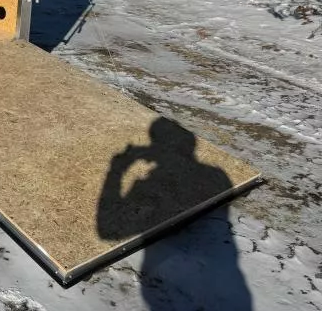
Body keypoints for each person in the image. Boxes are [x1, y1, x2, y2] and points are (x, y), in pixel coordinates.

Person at [97, 117, 252, 310]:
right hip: (229, 287)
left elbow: (105, 230)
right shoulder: (217, 174)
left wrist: (117, 169)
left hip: (170, 290)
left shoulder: (150, 185)